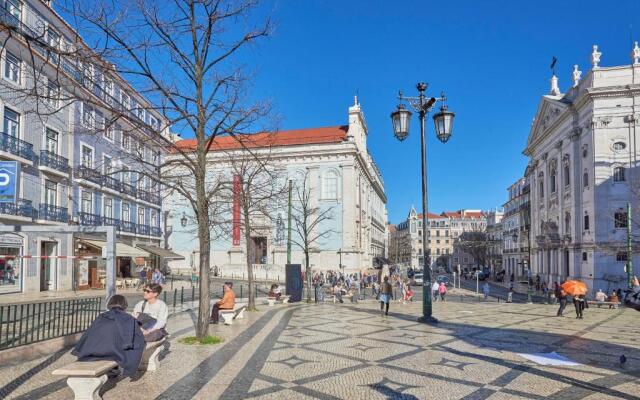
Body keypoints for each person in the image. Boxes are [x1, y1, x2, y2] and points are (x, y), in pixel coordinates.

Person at [73, 295, 145, 377]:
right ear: (125, 305)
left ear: (110, 303)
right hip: (114, 353)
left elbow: (87, 335)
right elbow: (137, 339)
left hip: (91, 352)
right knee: (123, 348)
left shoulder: (101, 317)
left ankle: (113, 370)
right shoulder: (128, 318)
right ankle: (113, 370)